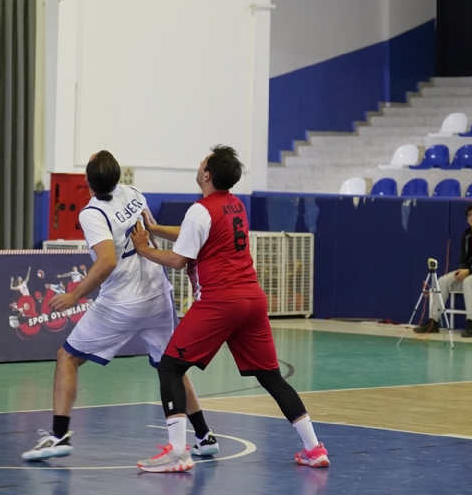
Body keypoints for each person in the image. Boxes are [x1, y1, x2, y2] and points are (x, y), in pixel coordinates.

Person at [130, 145, 328, 472]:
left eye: (202, 163)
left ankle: (177, 452)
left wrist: (143, 248)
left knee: (170, 367)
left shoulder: (200, 210)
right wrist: (155, 229)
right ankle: (314, 448)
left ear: (207, 175)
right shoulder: (235, 205)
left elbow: (179, 260)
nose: (198, 165)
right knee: (271, 377)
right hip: (252, 300)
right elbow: (196, 235)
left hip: (220, 301)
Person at [22, 151, 219, 463]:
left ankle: (59, 435)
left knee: (67, 357)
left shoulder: (92, 213)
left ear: (87, 179)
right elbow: (151, 233)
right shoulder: (134, 193)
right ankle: (204, 435)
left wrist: (74, 295)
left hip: (122, 302)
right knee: (171, 367)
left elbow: (107, 262)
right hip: (157, 292)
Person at [414, 203, 472, 338]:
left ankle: (471, 324)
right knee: (443, 281)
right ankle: (433, 322)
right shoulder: (467, 236)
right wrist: (461, 271)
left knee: (469, 282)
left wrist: (468, 272)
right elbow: (463, 260)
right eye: (470, 215)